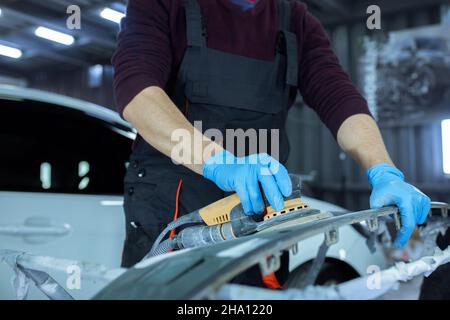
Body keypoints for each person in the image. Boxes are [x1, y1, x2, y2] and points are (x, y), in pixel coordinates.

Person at [112, 0, 430, 287]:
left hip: (259, 212)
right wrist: (220, 162)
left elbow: (341, 101)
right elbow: (138, 94)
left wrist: (383, 170)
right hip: (172, 207)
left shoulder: (295, 20)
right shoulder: (163, 4)